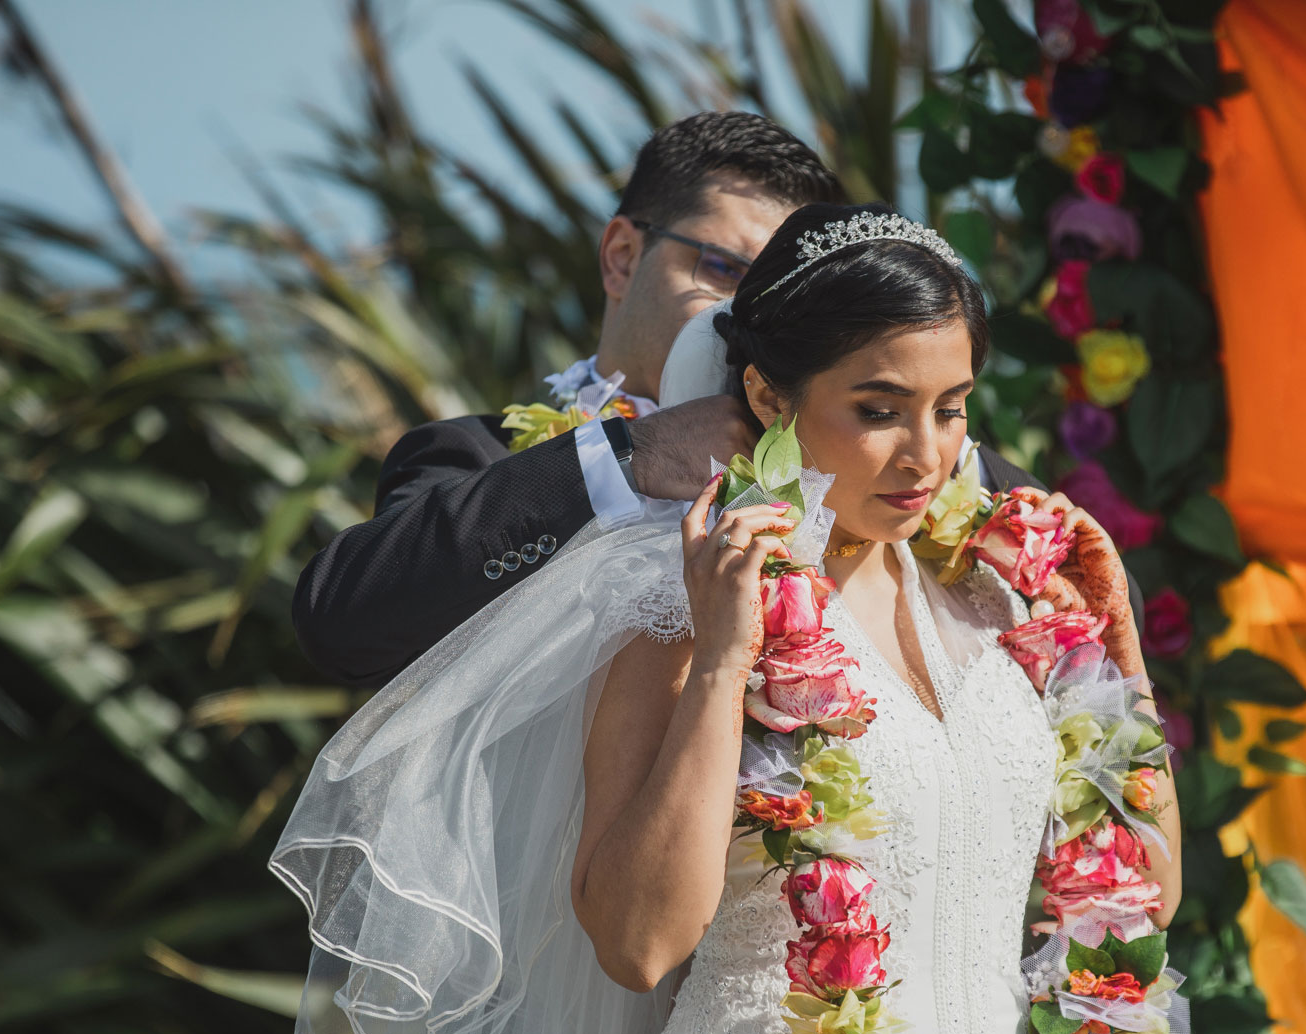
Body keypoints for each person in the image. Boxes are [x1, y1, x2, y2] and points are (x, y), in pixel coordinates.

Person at [271, 203, 1181, 1034]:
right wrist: (720, 661)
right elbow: (637, 940)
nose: (929, 456)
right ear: (766, 397)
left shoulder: (991, 605)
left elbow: (1139, 900)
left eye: (951, 410)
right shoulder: (682, 593)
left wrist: (1118, 661)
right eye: (877, 410)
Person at [289, 111, 1120, 693]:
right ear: (621, 257)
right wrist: (627, 462)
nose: (746, 314)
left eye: (783, 291)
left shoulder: (916, 463)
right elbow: (344, 623)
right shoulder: (486, 461)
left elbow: (1089, 595)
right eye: (725, 270)